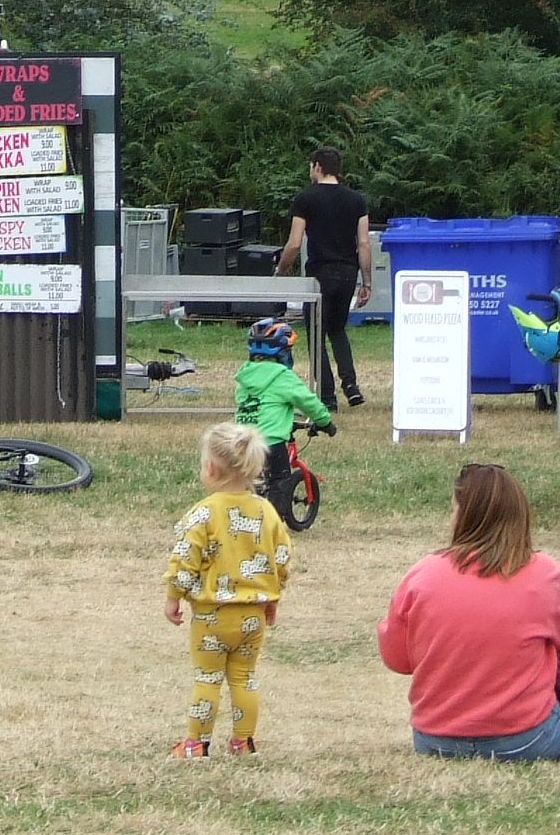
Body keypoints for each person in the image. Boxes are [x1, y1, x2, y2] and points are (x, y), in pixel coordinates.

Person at [377, 461, 560, 760]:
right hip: (525, 739)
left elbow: (397, 659)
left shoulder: (423, 574)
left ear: (463, 515)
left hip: (435, 739)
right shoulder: (544, 573)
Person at [163, 419, 294, 757]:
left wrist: (174, 596)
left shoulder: (203, 514)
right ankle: (243, 741)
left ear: (210, 468)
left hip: (212, 616)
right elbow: (280, 557)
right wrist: (272, 595)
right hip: (253, 615)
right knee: (244, 677)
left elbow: (185, 559)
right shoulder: (267, 511)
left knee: (208, 678)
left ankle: (196, 743)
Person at [277, 146, 370, 408]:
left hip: (320, 274)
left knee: (316, 334)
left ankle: (327, 397)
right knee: (338, 329)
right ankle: (350, 385)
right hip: (348, 272)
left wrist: (281, 270)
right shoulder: (356, 200)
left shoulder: (305, 199)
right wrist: (367, 281)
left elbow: (295, 243)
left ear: (317, 166)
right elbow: (363, 243)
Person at [234, 316, 333, 505]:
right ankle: (273, 521)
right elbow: (308, 402)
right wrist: (325, 422)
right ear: (283, 353)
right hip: (270, 442)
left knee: (244, 482)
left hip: (241, 440)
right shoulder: (283, 377)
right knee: (279, 482)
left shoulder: (243, 377)